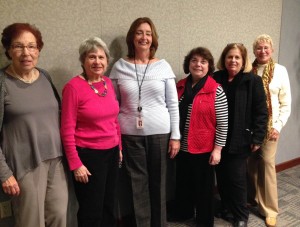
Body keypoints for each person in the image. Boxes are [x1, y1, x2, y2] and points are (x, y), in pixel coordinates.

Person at [110, 17, 180, 227]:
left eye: (148, 33)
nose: (144, 37)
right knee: (136, 184)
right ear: (132, 37)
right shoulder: (119, 67)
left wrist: (175, 136)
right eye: (139, 32)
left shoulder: (164, 66)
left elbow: (173, 104)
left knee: (159, 184)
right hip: (130, 135)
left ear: (153, 38)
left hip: (160, 133)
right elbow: (113, 106)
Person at [0, 23, 68, 227]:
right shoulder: (3, 82)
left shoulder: (45, 76)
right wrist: (4, 174)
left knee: (59, 216)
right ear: (9, 50)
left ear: (38, 49)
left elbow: (58, 115)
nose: (26, 53)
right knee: (31, 222)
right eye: (18, 46)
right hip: (24, 165)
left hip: (56, 161)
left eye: (31, 46)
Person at [60, 37, 122, 227]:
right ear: (83, 60)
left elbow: (114, 120)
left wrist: (119, 148)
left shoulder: (107, 83)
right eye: (92, 57)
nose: (97, 62)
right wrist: (75, 163)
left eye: (101, 57)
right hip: (88, 156)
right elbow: (66, 129)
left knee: (109, 205)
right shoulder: (73, 87)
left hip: (111, 153)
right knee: (91, 210)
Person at [170, 47, 228, 227]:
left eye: (203, 62)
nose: (198, 65)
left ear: (209, 66)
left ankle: (204, 221)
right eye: (194, 60)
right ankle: (184, 212)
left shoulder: (215, 90)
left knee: (203, 189)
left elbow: (223, 123)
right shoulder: (179, 86)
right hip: (181, 146)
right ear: (188, 63)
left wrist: (218, 149)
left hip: (204, 147)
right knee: (183, 182)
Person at [213, 43, 268, 227]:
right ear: (224, 59)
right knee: (221, 176)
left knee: (236, 178)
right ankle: (226, 207)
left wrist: (257, 137)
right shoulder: (216, 78)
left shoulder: (252, 81)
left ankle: (241, 215)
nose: (233, 61)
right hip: (218, 139)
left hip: (240, 139)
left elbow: (261, 113)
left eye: (237, 57)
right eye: (230, 57)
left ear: (243, 60)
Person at [247, 34, 291, 227]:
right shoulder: (248, 70)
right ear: (254, 51)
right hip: (251, 126)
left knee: (266, 164)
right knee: (250, 165)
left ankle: (270, 210)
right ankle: (253, 199)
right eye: (259, 48)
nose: (262, 51)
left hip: (270, 127)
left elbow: (285, 103)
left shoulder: (280, 71)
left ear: (271, 50)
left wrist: (277, 126)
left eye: (266, 48)